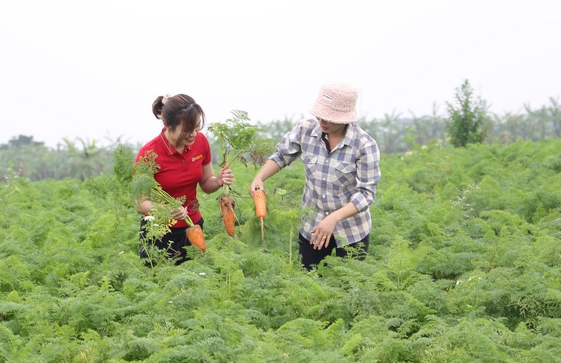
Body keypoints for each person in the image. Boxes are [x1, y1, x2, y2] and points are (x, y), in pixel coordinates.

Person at [249, 83, 380, 270]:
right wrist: (259, 177)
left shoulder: (364, 145)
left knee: (349, 287)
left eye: (329, 118)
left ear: (344, 118)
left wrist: (334, 218)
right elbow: (281, 156)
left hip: (351, 231)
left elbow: (366, 194)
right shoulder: (306, 130)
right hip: (313, 227)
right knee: (310, 284)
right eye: (320, 115)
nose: (322, 120)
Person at [135, 93, 233, 263]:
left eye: (196, 127)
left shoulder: (200, 142)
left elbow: (205, 182)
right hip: (159, 233)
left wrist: (217, 181)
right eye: (187, 130)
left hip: (193, 227)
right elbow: (140, 203)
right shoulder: (149, 154)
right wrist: (166, 210)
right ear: (167, 126)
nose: (193, 134)